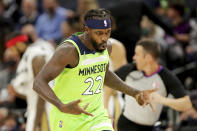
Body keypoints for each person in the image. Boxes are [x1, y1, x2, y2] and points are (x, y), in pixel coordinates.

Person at [33, 8, 156, 131]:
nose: (104, 38)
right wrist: (61, 106)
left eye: (107, 32)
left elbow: (105, 75)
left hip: (96, 116)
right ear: (87, 30)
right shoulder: (68, 50)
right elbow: (38, 82)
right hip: (68, 117)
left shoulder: (106, 47)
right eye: (99, 33)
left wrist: (135, 93)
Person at [113, 39, 192, 131]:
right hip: (127, 124)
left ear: (148, 58)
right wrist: (106, 108)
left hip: (150, 127)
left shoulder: (165, 76)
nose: (134, 57)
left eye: (137, 54)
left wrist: (162, 100)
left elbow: (187, 104)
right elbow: (108, 81)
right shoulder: (130, 69)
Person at [9, 25, 54, 131]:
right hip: (37, 108)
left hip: (46, 111)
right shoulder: (29, 55)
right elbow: (33, 93)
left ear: (19, 45)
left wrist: (36, 122)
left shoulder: (36, 55)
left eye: (13, 49)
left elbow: (43, 91)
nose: (13, 54)